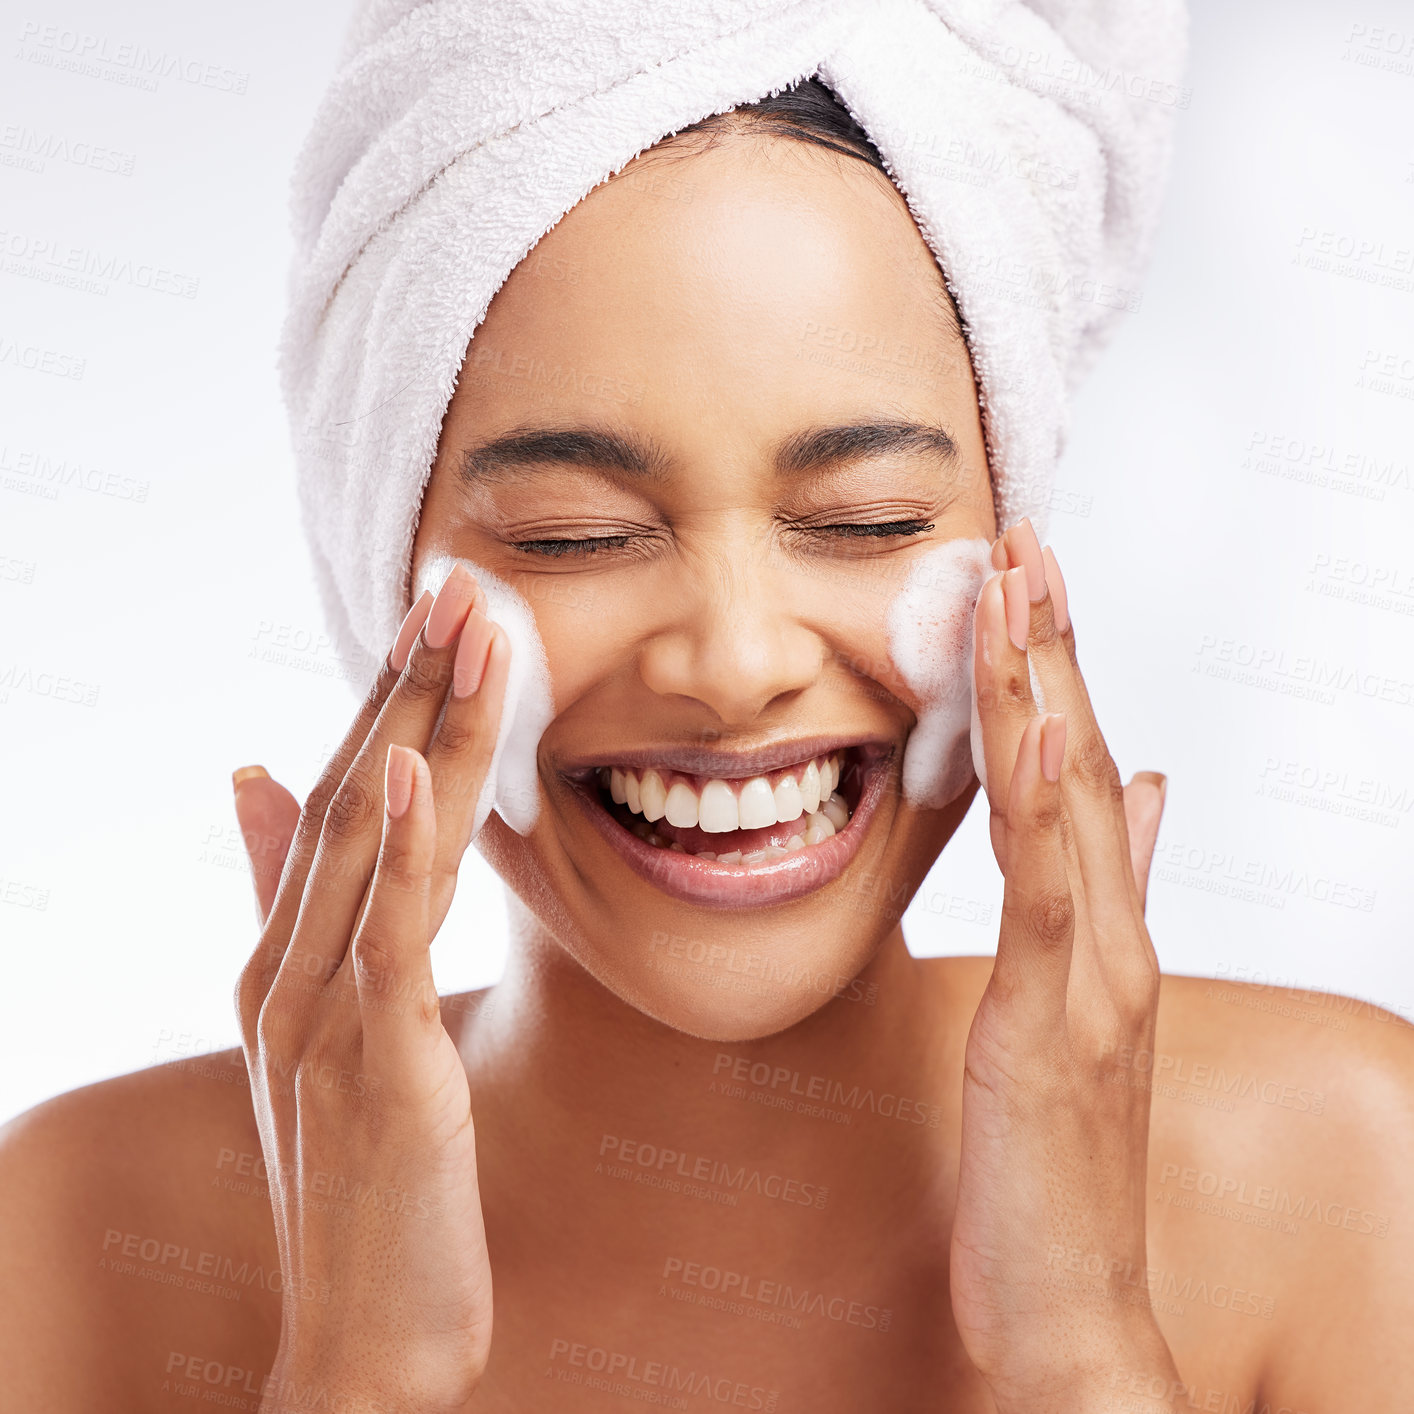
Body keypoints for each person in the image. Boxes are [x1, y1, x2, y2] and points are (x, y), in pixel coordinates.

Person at [3, 78, 1412, 1414]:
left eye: (863, 518)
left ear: (1018, 556)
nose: (735, 667)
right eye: (575, 536)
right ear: (379, 583)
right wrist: (358, 1377)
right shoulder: (84, 1225)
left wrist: (1084, 1351)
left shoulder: (1338, 1163)